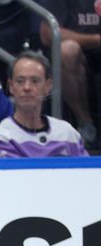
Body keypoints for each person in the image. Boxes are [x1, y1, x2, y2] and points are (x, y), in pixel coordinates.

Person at [0, 51, 89, 158]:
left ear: (48, 86)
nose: (27, 87)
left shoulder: (67, 133)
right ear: (11, 86)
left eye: (35, 81)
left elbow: (88, 172)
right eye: (20, 81)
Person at [38, 0, 100, 147]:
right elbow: (47, 33)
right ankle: (86, 124)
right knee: (67, 50)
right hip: (77, 57)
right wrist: (96, 39)